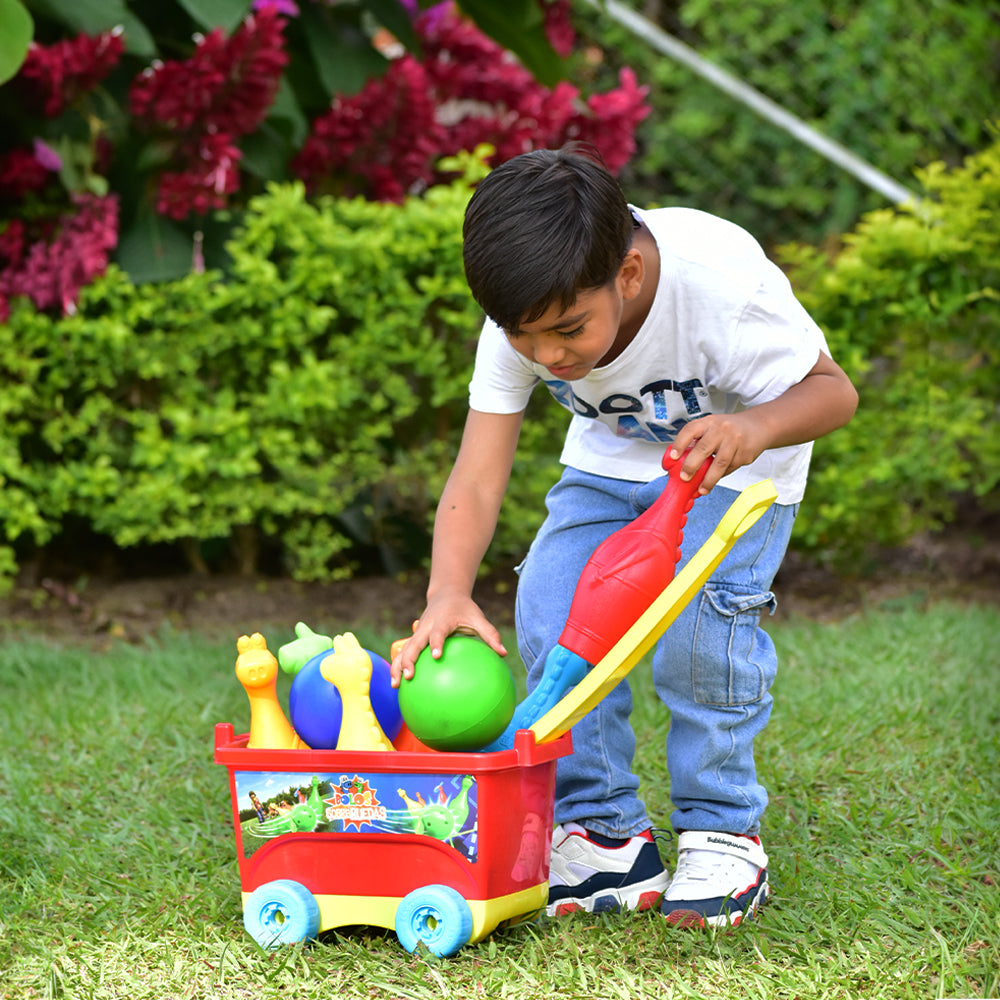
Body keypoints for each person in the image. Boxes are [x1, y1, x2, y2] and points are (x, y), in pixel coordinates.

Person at [391, 145, 858, 928]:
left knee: (698, 623)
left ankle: (721, 832)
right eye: (523, 336)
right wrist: (446, 594)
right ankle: (605, 831)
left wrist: (751, 426)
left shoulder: (717, 286)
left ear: (630, 276)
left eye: (568, 330)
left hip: (737, 464)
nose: (546, 356)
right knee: (547, 605)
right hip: (610, 465)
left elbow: (832, 390)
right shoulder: (528, 310)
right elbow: (476, 476)